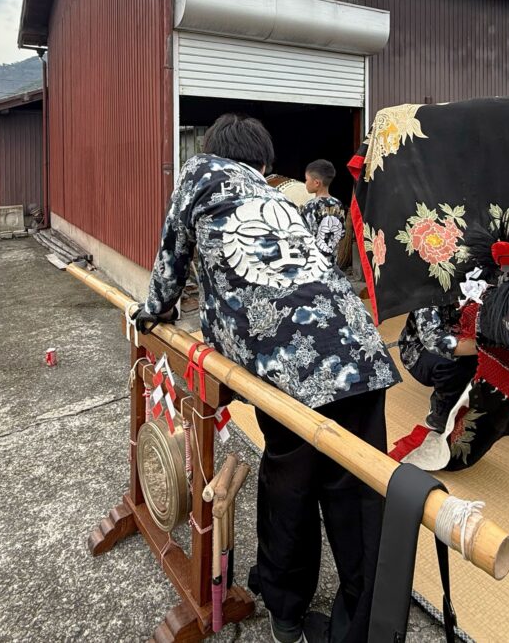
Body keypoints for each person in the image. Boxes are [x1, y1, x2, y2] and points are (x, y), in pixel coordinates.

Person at [140, 114, 400, 643]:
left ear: (214, 152)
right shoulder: (283, 199)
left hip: (292, 368)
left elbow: (170, 262)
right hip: (359, 352)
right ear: (261, 163)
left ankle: (285, 608)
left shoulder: (197, 176)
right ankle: (367, 623)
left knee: (291, 488)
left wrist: (151, 313)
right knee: (357, 496)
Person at [397, 304, 479, 433]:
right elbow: (432, 339)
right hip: (421, 350)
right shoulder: (429, 291)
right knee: (452, 362)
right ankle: (441, 407)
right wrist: (483, 345)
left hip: (469, 339)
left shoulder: (485, 286)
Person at [299, 159, 346, 261]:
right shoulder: (338, 204)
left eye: (306, 179)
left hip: (314, 263)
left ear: (316, 183)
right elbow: (342, 233)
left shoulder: (310, 206)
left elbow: (304, 235)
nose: (305, 183)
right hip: (332, 261)